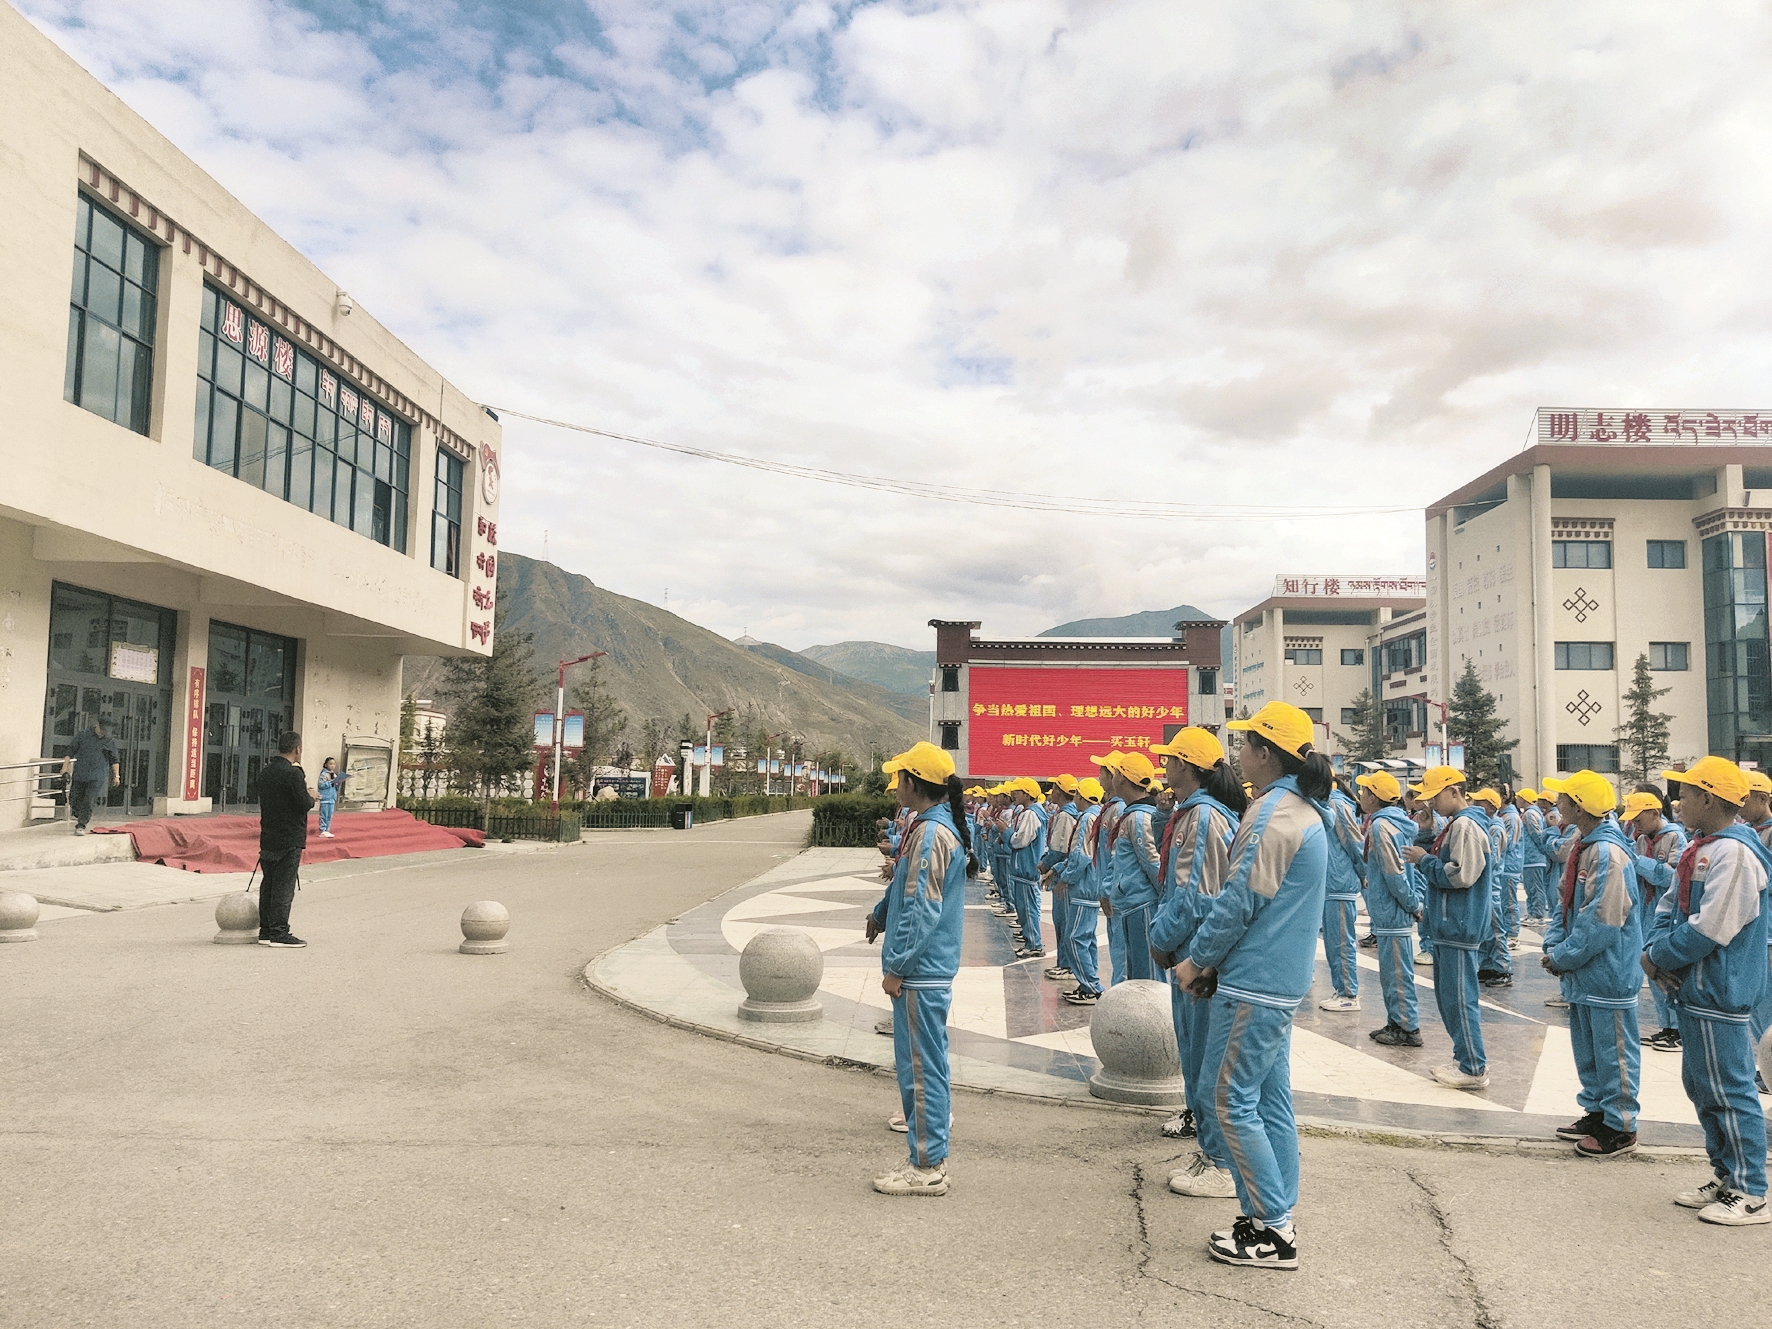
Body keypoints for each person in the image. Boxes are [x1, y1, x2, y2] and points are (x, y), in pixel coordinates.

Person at [1172, 701, 1328, 1270]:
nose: (1236, 754)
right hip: (1277, 979)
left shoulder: (1275, 814)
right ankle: (1275, 1212)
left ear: (1265, 753)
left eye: (1244, 744)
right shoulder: (1300, 809)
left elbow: (1240, 900)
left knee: (1227, 1099)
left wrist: (1199, 960)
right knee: (1268, 1099)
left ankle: (1273, 1230)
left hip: (1256, 981)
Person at [1646, 757, 1772, 1225]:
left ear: (1708, 798)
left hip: (1721, 988)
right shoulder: (1702, 847)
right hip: (1696, 988)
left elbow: (1711, 926)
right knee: (1702, 1086)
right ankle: (1725, 1174)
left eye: (1684, 794)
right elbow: (1668, 907)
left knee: (1730, 1089)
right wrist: (1653, 947)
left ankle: (1750, 1189)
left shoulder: (1734, 853)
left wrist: (1658, 957)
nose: (1677, 802)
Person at [866, 742, 974, 1197]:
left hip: (921, 971)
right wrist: (879, 914)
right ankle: (926, 1154)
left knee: (921, 1071)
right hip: (927, 968)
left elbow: (920, 909)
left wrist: (897, 965)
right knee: (925, 1065)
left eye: (900, 778)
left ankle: (928, 1165)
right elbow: (903, 893)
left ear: (914, 782)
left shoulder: (931, 833)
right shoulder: (932, 825)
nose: (896, 785)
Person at [1147, 728, 1247, 1196]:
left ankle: (1219, 1160)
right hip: (1190, 944)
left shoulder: (1203, 817)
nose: (1164, 766)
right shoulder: (1195, 812)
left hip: (1195, 950)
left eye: (1169, 760)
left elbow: (1193, 895)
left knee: (1204, 1053)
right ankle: (1209, 1149)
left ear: (1185, 766)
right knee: (1194, 1050)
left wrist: (1161, 938)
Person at [1539, 771, 1643, 1159]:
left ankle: (1620, 1126)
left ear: (1579, 807)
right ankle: (1598, 1112)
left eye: (1563, 798)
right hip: (1585, 971)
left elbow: (1602, 920)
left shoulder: (1608, 853)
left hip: (1607, 971)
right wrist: (1555, 943)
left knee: (1614, 1052)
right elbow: (1565, 902)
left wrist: (1563, 956)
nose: (1557, 804)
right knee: (1589, 1049)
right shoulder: (1584, 845)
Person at [1403, 766, 1493, 1091]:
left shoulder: (1466, 825)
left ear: (1454, 791)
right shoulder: (1456, 824)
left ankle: (1473, 1066)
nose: (1431, 804)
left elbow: (1460, 874)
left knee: (1460, 999)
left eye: (1435, 797)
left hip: (1459, 924)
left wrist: (1424, 860)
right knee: (1449, 999)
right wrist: (1428, 835)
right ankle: (1463, 1057)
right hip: (1449, 925)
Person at [1357, 771, 1424, 1047]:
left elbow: (1394, 873)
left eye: (1364, 792)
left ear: (1374, 797)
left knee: (1397, 973)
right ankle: (1396, 1020)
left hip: (1392, 910)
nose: (1361, 796)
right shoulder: (1394, 822)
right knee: (1392, 972)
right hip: (1390, 909)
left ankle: (1408, 1027)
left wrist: (1413, 904)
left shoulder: (1381, 826)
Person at [1625, 789, 1687, 1051]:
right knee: (1651, 969)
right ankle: (1666, 1026)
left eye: (1639, 819)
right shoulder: (1641, 840)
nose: (1635, 825)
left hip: (1667, 913)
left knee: (1668, 967)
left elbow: (1673, 875)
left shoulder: (1674, 836)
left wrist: (1639, 863)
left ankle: (1679, 1029)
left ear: (1654, 813)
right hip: (1646, 910)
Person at [1099, 752, 1163, 982]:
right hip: (1131, 904)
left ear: (1122, 779)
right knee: (1135, 973)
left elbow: (1154, 865)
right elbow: (1118, 859)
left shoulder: (1139, 818)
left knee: (1148, 976)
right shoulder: (1130, 815)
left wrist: (1163, 903)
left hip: (1142, 905)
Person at [257, 730, 316, 948]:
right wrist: (311, 795)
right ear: (297, 749)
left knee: (269, 884)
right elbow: (304, 803)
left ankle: (265, 930)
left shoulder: (266, 772)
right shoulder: (293, 774)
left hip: (268, 835)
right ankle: (279, 932)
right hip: (289, 836)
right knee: (283, 886)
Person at [1318, 777, 1366, 1012]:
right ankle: (1341, 989)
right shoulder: (1326, 803)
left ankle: (1349, 994)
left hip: (1340, 882)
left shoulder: (1336, 804)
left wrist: (1363, 872)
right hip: (1331, 883)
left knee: (1341, 943)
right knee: (1333, 943)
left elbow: (1354, 842)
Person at [1057, 779, 1105, 1005]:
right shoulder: (1097, 815)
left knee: (1075, 937)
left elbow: (1080, 855)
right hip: (1092, 884)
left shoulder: (1086, 818)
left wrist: (1065, 878)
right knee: (1086, 938)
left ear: (1081, 796)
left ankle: (1092, 987)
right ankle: (1088, 983)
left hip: (1084, 887)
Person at [1469, 789, 1513, 989]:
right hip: (1484, 886)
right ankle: (1488, 965)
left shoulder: (1495, 828)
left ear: (1490, 806)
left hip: (1491, 886)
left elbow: (1491, 859)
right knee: (1485, 930)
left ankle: (1503, 969)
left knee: (1495, 930)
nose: (1474, 805)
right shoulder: (1486, 825)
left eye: (1479, 803)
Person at [1039, 776, 1080, 982]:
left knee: (1063, 921)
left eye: (1054, 788)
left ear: (1059, 791)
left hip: (1062, 873)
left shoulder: (1065, 816)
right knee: (1063, 921)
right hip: (1063, 871)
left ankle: (1066, 964)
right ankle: (1064, 963)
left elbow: (1060, 849)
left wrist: (1046, 864)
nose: (1051, 792)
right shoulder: (1067, 813)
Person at [1006, 778, 1048, 959]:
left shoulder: (1031, 814)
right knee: (1025, 907)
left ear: (1027, 794)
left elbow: (1020, 840)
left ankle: (1034, 944)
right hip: (1025, 867)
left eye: (1017, 792)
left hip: (1027, 867)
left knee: (1028, 909)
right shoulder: (1030, 812)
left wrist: (1006, 833)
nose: (1013, 795)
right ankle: (1030, 940)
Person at [61, 719, 119, 835]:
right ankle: (79, 813)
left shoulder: (109, 740)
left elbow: (114, 760)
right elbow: (70, 752)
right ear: (97, 725)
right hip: (80, 773)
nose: (103, 733)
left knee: (89, 800)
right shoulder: (83, 735)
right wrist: (65, 767)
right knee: (74, 799)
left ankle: (81, 825)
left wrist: (116, 776)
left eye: (106, 731)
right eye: (102, 730)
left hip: (97, 776)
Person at [1516, 789, 1551, 926]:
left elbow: (1536, 834)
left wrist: (1543, 850)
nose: (1517, 800)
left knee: (1535, 888)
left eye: (1519, 798)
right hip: (1531, 858)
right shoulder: (1533, 813)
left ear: (1524, 799)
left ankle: (1537, 914)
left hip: (1534, 858)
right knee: (1531, 887)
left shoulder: (1529, 814)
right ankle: (1532, 912)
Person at [317, 757, 342, 837]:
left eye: (334, 764)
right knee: (324, 814)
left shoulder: (334, 775)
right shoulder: (324, 774)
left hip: (332, 797)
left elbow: (336, 787)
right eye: (330, 764)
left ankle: (327, 829)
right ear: (326, 764)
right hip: (325, 797)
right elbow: (321, 785)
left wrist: (337, 783)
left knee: (329, 815)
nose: (332, 766)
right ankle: (323, 829)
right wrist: (331, 782)